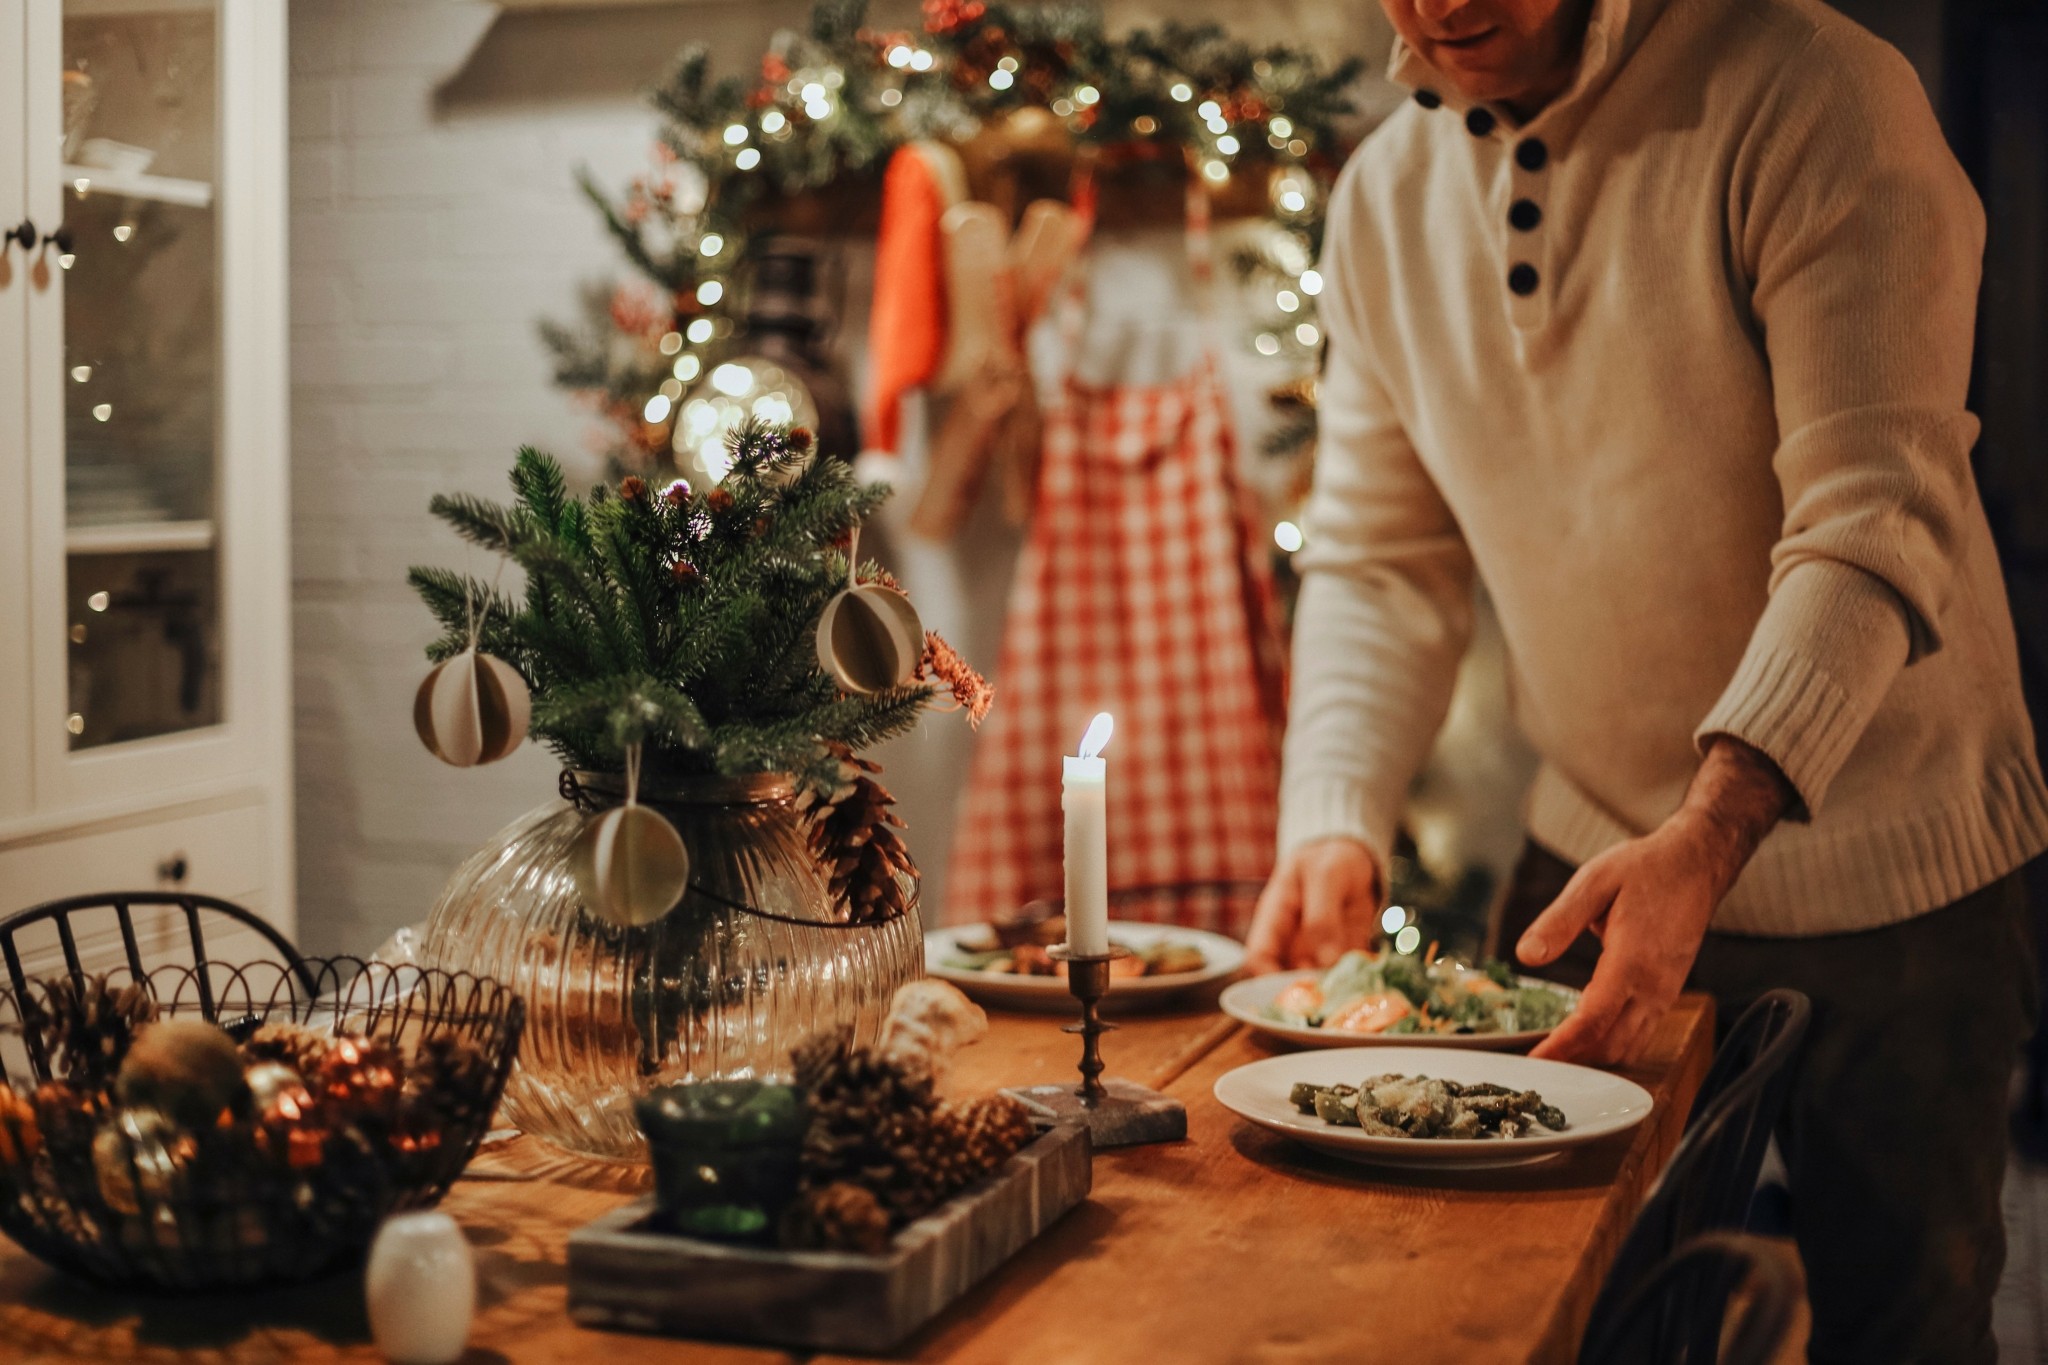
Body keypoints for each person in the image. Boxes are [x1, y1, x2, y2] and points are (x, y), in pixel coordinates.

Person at [1244, 0, 2048, 1359]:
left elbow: (1869, 518)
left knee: (1898, 1329)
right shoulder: (1381, 198)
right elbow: (1381, 559)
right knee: (1548, 1314)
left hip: (1898, 877)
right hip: (1587, 872)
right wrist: (1334, 810)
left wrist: (1711, 826)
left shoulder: (1818, 95)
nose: (1443, 2)